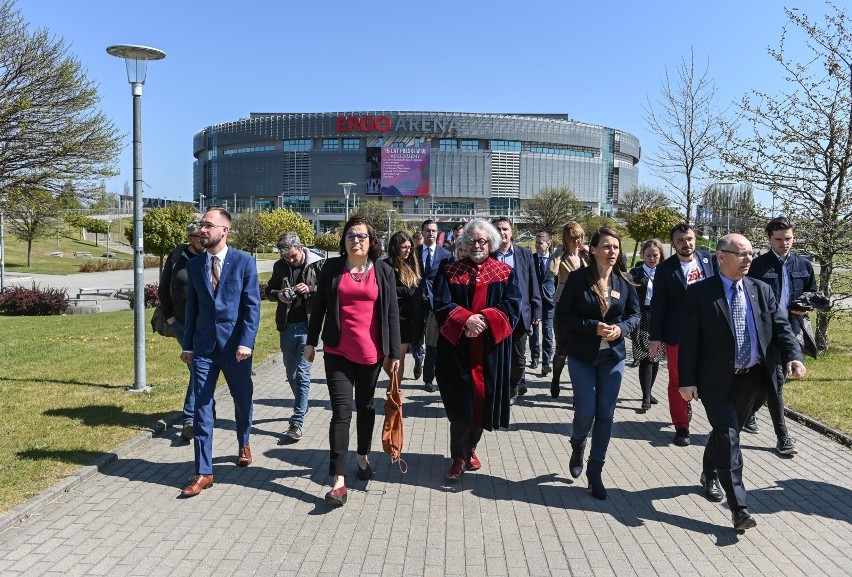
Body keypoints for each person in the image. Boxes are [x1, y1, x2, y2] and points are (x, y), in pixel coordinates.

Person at [679, 233, 806, 531]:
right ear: (721, 257)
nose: (749, 259)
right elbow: (688, 342)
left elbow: (781, 328)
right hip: (715, 381)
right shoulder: (700, 294)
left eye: (751, 253)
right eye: (742, 254)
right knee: (730, 437)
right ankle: (739, 508)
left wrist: (793, 356)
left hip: (752, 380)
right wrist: (686, 381)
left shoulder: (761, 290)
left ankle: (708, 473)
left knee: (725, 433)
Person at [305, 215, 401, 506]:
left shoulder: (383, 271)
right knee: (341, 413)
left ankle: (362, 455)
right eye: (350, 235)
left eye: (361, 236)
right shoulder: (332, 268)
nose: (355, 240)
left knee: (366, 407)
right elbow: (319, 305)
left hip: (371, 354)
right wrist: (311, 343)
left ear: (371, 242)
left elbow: (392, 314)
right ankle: (338, 480)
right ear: (343, 240)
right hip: (337, 352)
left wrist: (394, 353)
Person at [179, 206, 261, 497]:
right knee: (202, 407)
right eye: (202, 225)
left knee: (242, 400)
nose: (203, 230)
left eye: (208, 225)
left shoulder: (244, 262)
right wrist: (188, 345)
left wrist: (247, 342)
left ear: (224, 230)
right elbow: (193, 308)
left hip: (235, 348)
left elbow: (252, 307)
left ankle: (244, 441)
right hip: (204, 348)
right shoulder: (195, 264)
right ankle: (204, 471)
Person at [432, 218, 521, 481]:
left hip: (489, 352)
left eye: (482, 240)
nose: (476, 245)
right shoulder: (450, 271)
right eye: (471, 241)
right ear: (464, 243)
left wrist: (483, 321)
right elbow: (440, 304)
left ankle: (471, 447)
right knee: (461, 406)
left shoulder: (504, 273)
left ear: (491, 243)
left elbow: (512, 306)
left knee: (483, 403)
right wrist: (464, 319)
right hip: (457, 351)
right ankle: (458, 457)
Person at [555, 227, 639, 500]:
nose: (612, 252)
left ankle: (595, 471)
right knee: (586, 411)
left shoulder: (624, 281)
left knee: (606, 414)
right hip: (582, 356)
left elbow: (634, 315)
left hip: (612, 358)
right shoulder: (579, 279)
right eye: (606, 246)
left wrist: (622, 330)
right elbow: (564, 316)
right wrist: (593, 327)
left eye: (615, 247)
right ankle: (578, 444)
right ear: (592, 250)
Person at [745, 216, 816, 454]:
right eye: (779, 239)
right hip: (765, 331)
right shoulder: (758, 265)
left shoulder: (803, 264)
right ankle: (783, 436)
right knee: (775, 380)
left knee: (775, 381)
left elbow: (812, 294)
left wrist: (806, 306)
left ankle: (749, 413)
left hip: (792, 329)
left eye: (788, 239)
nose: (784, 244)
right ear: (769, 239)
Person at [649, 223, 716, 447]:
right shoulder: (666, 269)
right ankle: (681, 427)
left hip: (709, 333)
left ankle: (718, 424)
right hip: (677, 334)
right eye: (680, 241)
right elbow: (658, 304)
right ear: (673, 244)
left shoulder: (709, 260)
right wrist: (655, 337)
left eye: (689, 239)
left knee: (711, 378)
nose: (686, 244)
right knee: (677, 380)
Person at [266, 233, 325, 442]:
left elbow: (330, 291)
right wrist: (278, 295)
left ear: (301, 247)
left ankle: (297, 421)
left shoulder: (318, 264)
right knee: (291, 374)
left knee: (302, 374)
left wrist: (310, 288)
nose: (290, 261)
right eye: (286, 258)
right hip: (286, 326)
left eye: (292, 256)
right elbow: (269, 290)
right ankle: (303, 402)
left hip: (308, 327)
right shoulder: (280, 266)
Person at [158, 221, 205, 441]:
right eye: (199, 236)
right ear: (190, 238)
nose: (203, 239)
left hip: (204, 323)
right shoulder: (178, 257)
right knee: (197, 368)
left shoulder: (209, 256)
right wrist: (169, 317)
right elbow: (163, 286)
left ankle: (196, 416)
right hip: (181, 323)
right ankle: (190, 420)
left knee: (198, 369)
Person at [492, 217, 541, 401]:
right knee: (498, 355)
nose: (502, 232)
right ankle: (501, 389)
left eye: (505, 229)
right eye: (498, 229)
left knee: (519, 359)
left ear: (512, 232)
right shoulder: (490, 254)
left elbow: (533, 282)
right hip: (497, 314)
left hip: (520, 314)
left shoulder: (524, 254)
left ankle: (513, 386)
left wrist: (537, 309)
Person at [549, 221, 589, 397]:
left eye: (579, 237)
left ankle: (577, 390)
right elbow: (552, 272)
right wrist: (557, 254)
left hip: (583, 305)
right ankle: (556, 378)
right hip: (564, 304)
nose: (577, 241)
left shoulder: (584, 256)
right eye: (573, 238)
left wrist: (589, 255)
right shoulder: (562, 255)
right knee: (562, 350)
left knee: (579, 351)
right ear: (566, 238)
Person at [412, 219, 452, 392]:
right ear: (422, 233)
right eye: (428, 230)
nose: (431, 234)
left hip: (435, 304)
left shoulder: (445, 255)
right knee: (415, 338)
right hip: (417, 301)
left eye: (434, 231)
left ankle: (429, 379)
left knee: (432, 343)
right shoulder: (414, 252)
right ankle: (417, 359)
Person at [628, 239, 667, 410]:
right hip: (642, 316)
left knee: (656, 356)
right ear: (642, 255)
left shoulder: (665, 272)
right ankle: (645, 397)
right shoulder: (636, 273)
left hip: (660, 317)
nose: (652, 258)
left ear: (660, 256)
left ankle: (649, 391)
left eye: (655, 255)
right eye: (648, 255)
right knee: (646, 357)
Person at [384, 231, 422, 379]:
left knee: (398, 360)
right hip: (387, 319)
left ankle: (395, 393)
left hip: (406, 320)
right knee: (386, 362)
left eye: (410, 247)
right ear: (395, 247)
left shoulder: (412, 266)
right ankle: (394, 389)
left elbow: (413, 291)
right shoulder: (384, 265)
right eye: (404, 247)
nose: (408, 250)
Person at [530, 232, 556, 377]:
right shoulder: (531, 259)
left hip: (549, 302)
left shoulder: (554, 260)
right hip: (534, 301)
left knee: (548, 334)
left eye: (540, 242)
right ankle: (535, 358)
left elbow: (557, 281)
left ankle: (546, 364)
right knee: (534, 332)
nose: (537, 245)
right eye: (537, 242)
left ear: (548, 244)